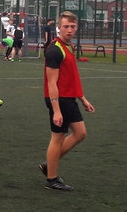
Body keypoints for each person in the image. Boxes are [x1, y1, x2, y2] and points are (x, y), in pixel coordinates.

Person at [39, 11, 95, 191]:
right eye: (65, 27)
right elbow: (51, 82)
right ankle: (51, 179)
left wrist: (82, 98)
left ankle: (50, 164)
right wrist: (56, 110)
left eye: (72, 26)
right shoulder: (54, 50)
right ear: (59, 27)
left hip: (68, 98)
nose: (69, 30)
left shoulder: (68, 46)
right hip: (59, 99)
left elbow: (70, 77)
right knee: (58, 138)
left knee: (80, 133)